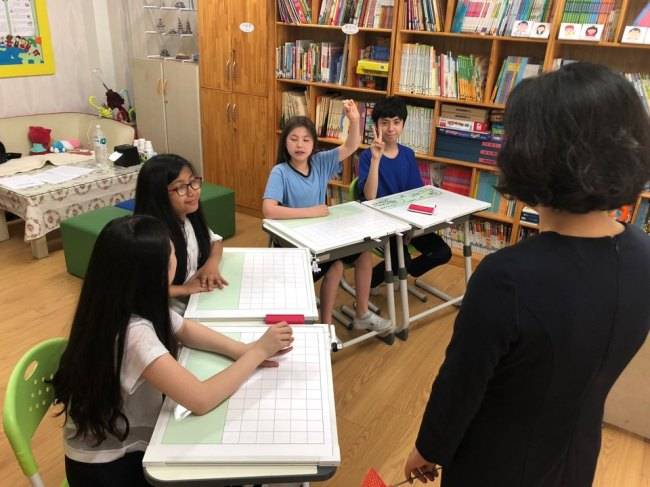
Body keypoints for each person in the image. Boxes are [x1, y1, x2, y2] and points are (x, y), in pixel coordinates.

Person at [402, 62, 650, 486]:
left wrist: (427, 450)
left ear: (531, 155)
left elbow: (460, 386)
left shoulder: (507, 277)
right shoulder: (643, 253)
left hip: (495, 463)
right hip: (576, 451)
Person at [52, 215, 293, 486]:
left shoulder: (117, 301)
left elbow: (185, 329)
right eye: (172, 255)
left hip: (119, 440)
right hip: (110, 468)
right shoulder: (133, 333)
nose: (176, 258)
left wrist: (240, 349)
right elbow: (200, 399)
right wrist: (257, 353)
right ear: (153, 274)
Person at [263, 102, 392, 334]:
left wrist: (354, 120)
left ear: (314, 144)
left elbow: (352, 145)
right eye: (293, 139)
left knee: (364, 252)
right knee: (336, 264)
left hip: (323, 236)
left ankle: (362, 313)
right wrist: (310, 211)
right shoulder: (280, 171)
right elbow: (269, 210)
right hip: (297, 245)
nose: (300, 145)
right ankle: (326, 326)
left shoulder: (320, 161)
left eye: (306, 139)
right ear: (285, 143)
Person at [358, 96, 452, 290]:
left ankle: (405, 273)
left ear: (403, 124)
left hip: (408, 222)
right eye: (384, 123)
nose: (391, 128)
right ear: (375, 126)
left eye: (396, 122)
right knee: (401, 261)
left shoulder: (408, 154)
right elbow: (370, 197)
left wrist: (411, 226)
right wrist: (376, 159)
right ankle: (366, 288)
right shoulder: (367, 156)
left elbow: (416, 194)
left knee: (443, 252)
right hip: (382, 225)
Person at [134, 154, 226, 313]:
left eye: (193, 182)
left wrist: (211, 265)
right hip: (166, 311)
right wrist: (185, 289)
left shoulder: (188, 218)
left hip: (192, 300)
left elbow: (215, 242)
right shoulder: (153, 238)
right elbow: (144, 289)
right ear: (158, 195)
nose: (192, 192)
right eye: (181, 187)